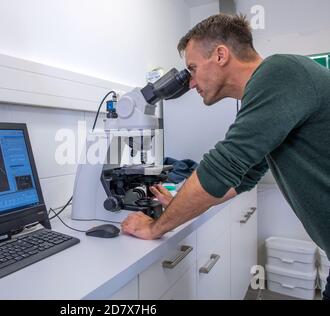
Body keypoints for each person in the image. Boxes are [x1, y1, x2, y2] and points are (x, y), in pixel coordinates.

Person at [120, 14, 330, 300]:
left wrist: (155, 227)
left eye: (192, 69)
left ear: (220, 55)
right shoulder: (266, 91)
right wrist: (179, 205)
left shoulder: (279, 73)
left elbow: (221, 168)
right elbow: (243, 178)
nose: (191, 83)